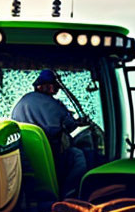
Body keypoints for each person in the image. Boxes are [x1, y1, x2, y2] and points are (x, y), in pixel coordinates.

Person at [11, 69, 87, 198]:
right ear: (46, 86)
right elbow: (71, 125)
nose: (53, 89)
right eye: (51, 86)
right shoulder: (54, 105)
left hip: (22, 157)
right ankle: (69, 194)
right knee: (78, 155)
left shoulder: (22, 101)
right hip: (51, 156)